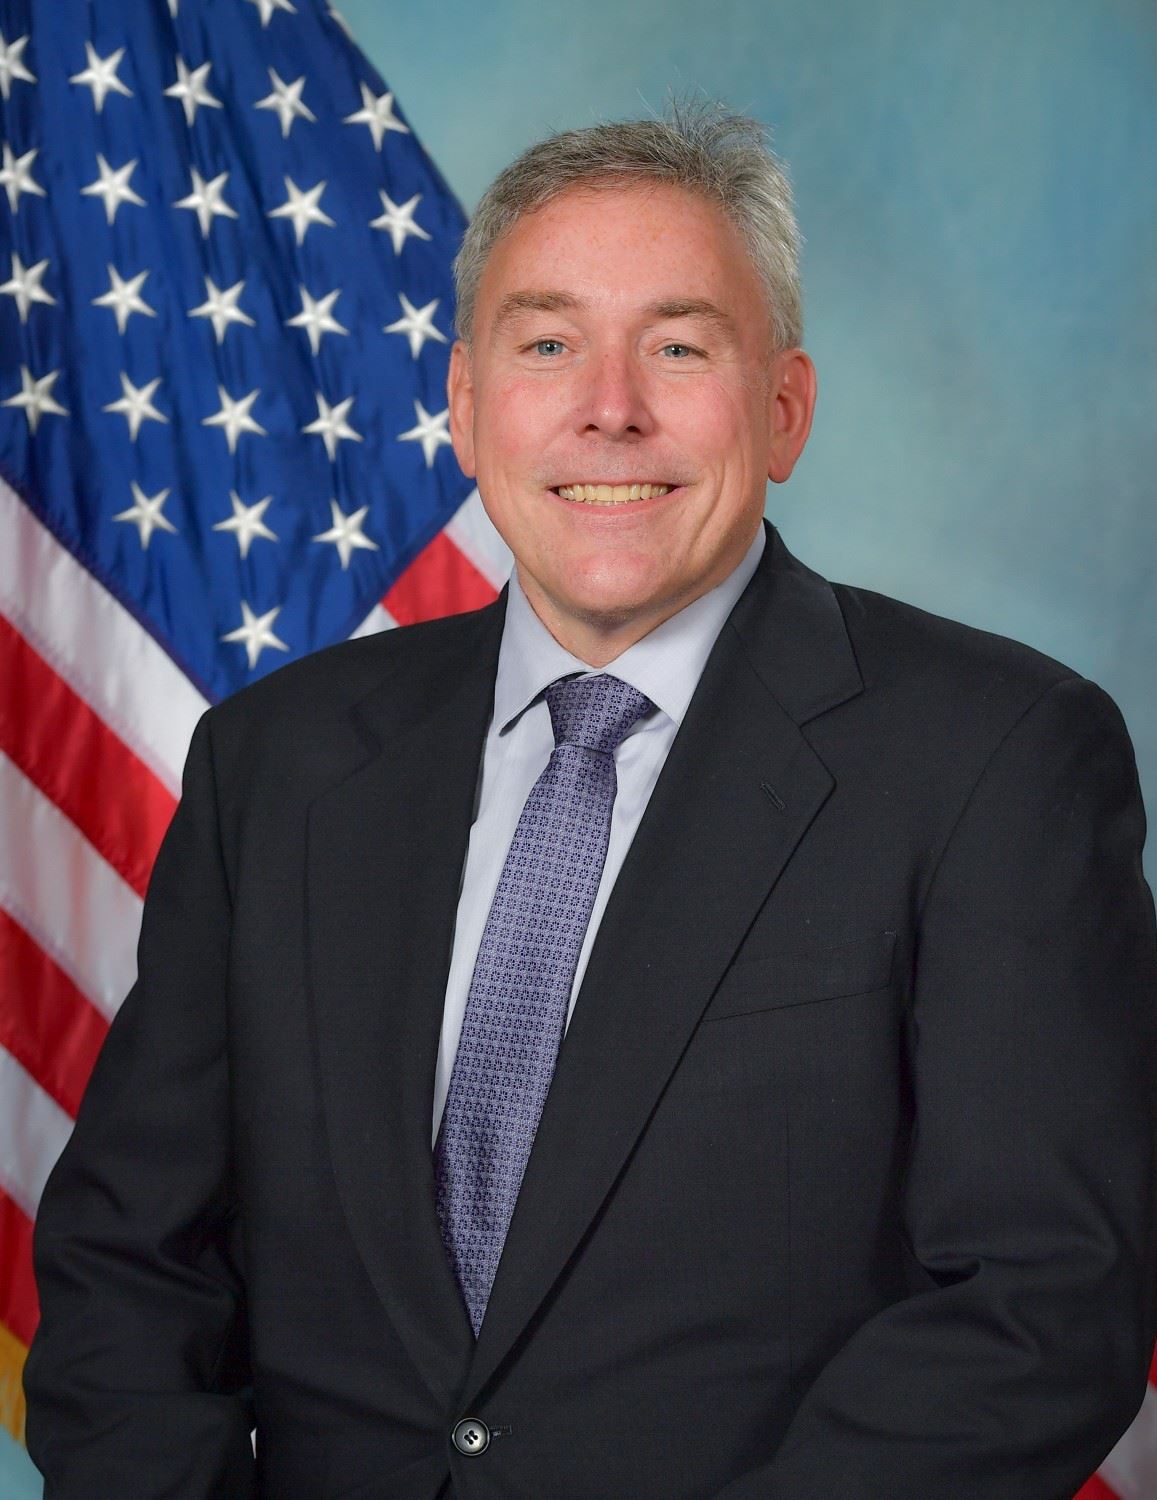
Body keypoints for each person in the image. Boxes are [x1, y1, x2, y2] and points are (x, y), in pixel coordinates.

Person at [24, 103, 1157, 1500]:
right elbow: (128, 1259)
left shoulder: (997, 758)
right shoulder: (280, 761)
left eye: (678, 346)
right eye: (546, 342)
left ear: (784, 409)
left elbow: (1043, 1300)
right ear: (463, 404)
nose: (605, 405)